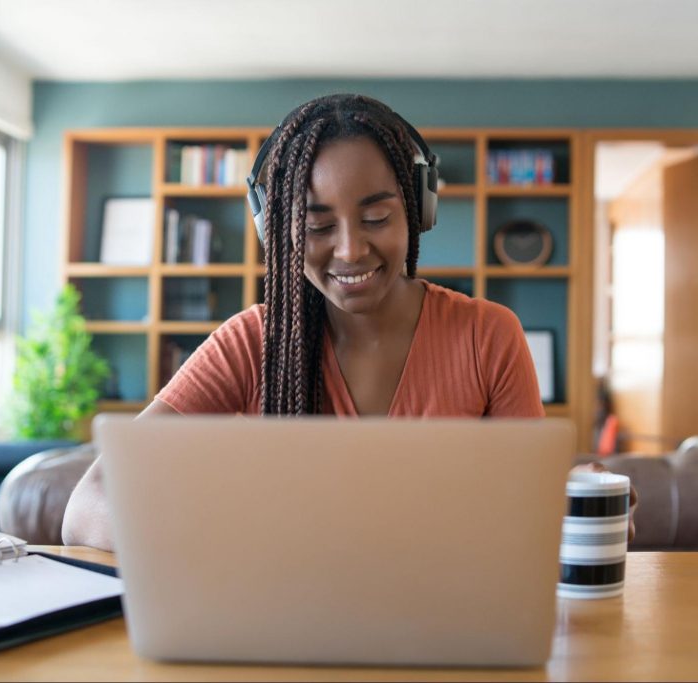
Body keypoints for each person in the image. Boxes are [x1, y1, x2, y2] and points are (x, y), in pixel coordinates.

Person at [62, 94, 632, 549]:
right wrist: (219, 542)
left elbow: (525, 519)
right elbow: (88, 504)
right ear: (278, 232)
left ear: (418, 211)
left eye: (377, 216)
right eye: (317, 226)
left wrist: (573, 520)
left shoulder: (488, 335)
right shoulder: (251, 341)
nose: (351, 250)